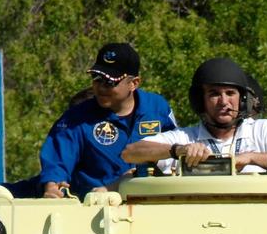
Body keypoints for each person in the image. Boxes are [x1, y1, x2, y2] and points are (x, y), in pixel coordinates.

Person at [38, 43, 178, 198]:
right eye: (97, 79)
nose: (101, 87)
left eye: (110, 82)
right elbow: (57, 160)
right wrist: (52, 186)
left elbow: (173, 154)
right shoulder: (77, 117)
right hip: (95, 207)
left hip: (149, 202)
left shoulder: (157, 108)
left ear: (134, 83)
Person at [120, 57, 267, 173]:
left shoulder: (262, 130)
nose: (224, 102)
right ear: (200, 101)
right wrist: (178, 151)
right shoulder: (185, 137)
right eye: (214, 94)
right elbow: (130, 153)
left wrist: (252, 157)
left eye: (230, 93)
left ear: (243, 100)